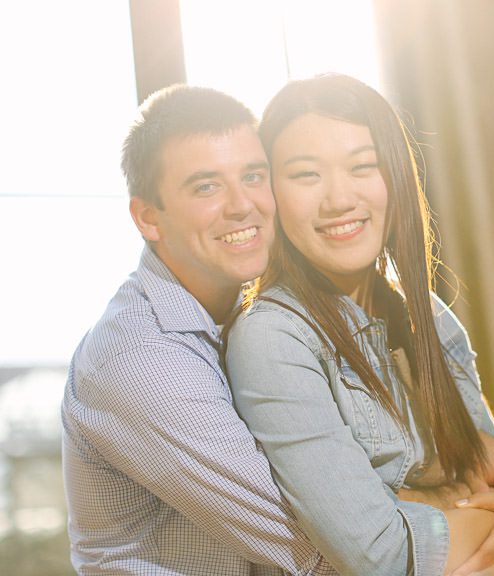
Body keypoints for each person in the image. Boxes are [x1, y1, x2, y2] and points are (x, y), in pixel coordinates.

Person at [224, 74, 494, 576]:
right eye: (306, 175)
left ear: (396, 175)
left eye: (362, 166)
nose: (339, 198)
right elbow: (379, 552)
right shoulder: (273, 337)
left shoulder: (425, 313)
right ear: (272, 194)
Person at [61, 85, 337, 574]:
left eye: (253, 176)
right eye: (207, 187)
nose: (242, 205)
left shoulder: (265, 313)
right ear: (149, 218)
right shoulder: (141, 357)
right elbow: (329, 544)